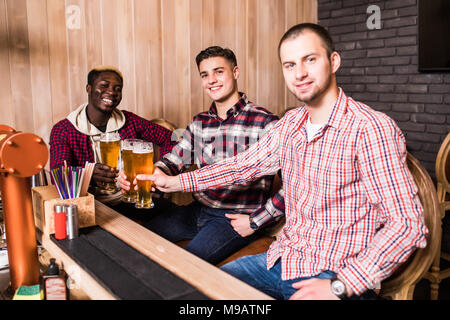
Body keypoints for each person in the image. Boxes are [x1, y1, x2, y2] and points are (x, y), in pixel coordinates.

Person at [140, 24, 428, 300]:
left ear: (334, 61)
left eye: (310, 60)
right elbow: (241, 166)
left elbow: (407, 224)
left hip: (334, 274)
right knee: (200, 292)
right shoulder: (291, 124)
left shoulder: (371, 128)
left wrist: (342, 286)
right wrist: (174, 180)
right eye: (290, 65)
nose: (300, 73)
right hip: (281, 262)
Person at [119, 46, 285, 265]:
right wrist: (149, 176)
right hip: (198, 210)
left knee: (185, 265)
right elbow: (173, 160)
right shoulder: (199, 122)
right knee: (134, 241)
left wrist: (257, 221)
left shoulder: (266, 122)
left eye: (219, 72)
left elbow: (293, 186)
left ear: (235, 72)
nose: (211, 80)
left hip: (233, 218)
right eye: (205, 75)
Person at [49, 65, 176, 207]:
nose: (111, 92)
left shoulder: (130, 121)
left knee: (180, 220)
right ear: (88, 88)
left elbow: (171, 139)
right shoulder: (64, 130)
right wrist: (87, 175)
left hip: (131, 200)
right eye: (104, 86)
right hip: (92, 206)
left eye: (118, 89)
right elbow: (59, 177)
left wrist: (161, 169)